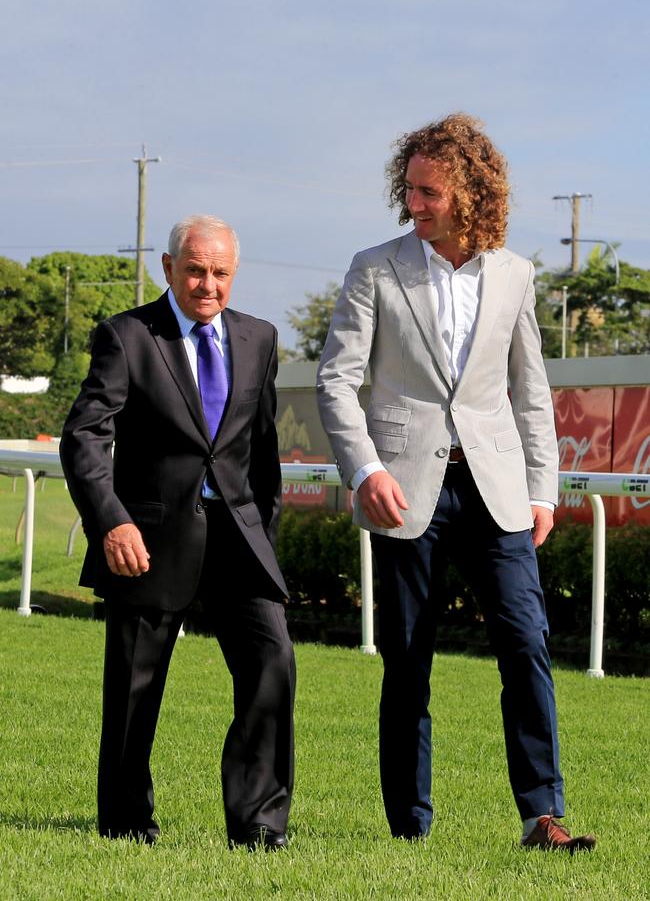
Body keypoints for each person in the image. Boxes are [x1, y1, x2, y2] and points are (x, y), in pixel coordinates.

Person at [316, 114, 595, 852]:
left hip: (497, 490)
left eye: (430, 191)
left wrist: (543, 490)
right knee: (408, 657)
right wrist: (365, 470)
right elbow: (337, 382)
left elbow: (530, 392)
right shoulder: (374, 268)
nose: (415, 204)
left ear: (471, 190)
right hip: (404, 488)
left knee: (527, 642)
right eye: (409, 189)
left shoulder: (514, 275)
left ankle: (543, 815)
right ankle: (410, 828)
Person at [60, 214, 295, 850]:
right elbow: (84, 436)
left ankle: (259, 825)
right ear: (168, 268)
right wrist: (110, 521)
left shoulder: (261, 338)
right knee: (135, 689)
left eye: (220, 273)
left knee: (273, 664)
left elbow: (263, 451)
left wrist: (265, 534)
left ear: (234, 274)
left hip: (240, 537)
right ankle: (127, 821)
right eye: (195, 270)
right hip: (149, 539)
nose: (208, 284)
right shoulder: (127, 336)